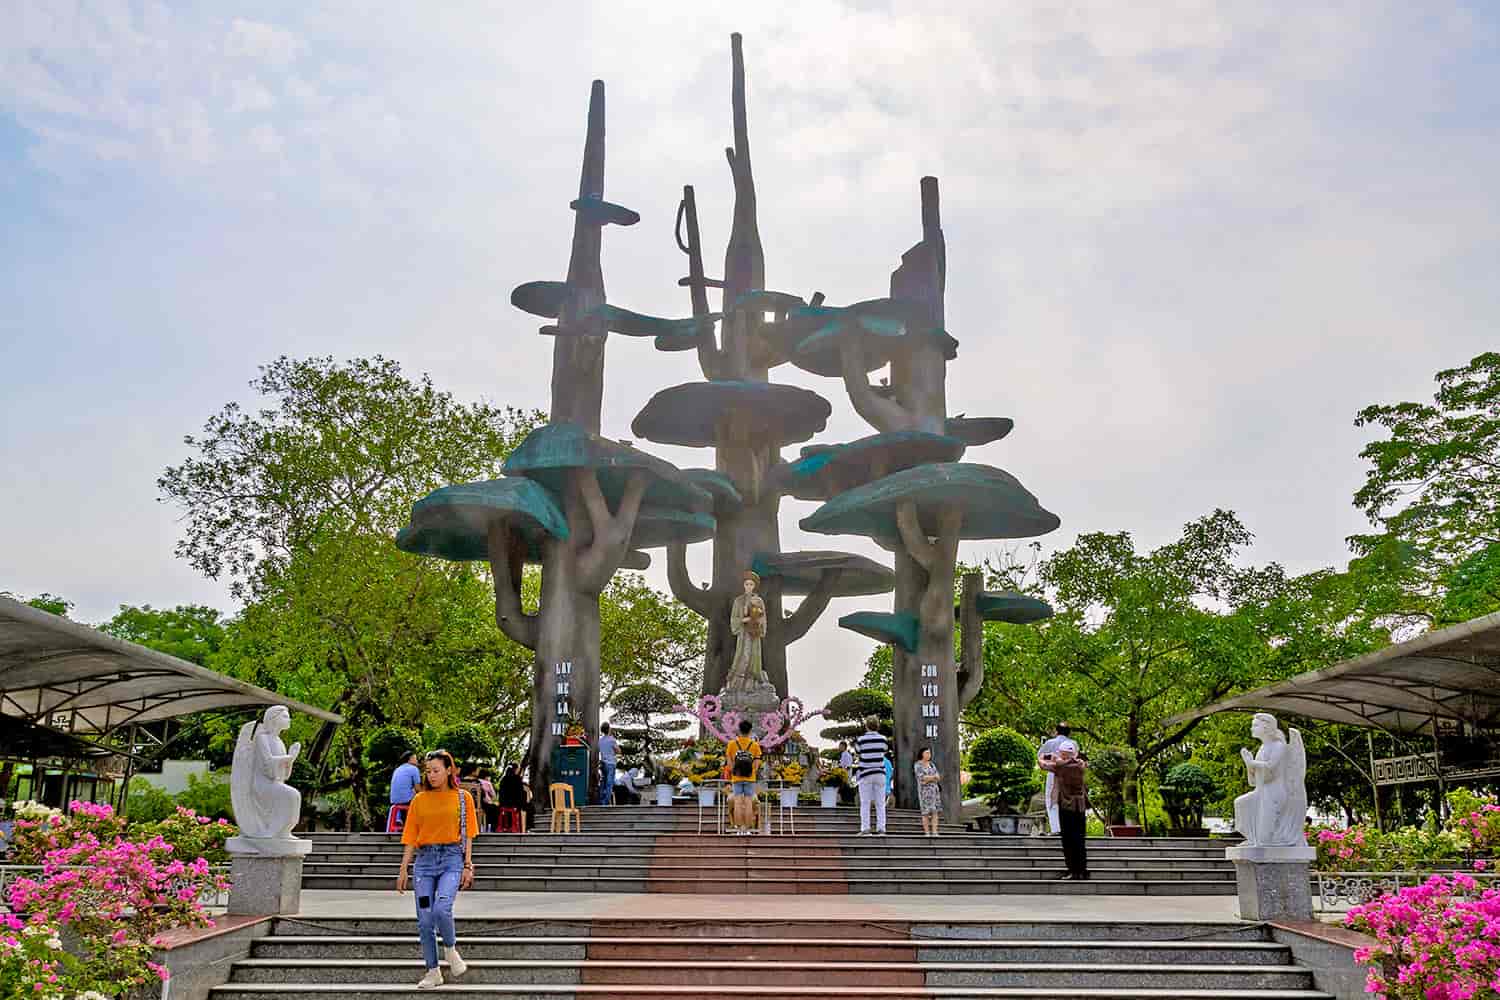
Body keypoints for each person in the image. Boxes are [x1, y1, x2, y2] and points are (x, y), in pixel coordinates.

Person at [396, 749, 479, 989]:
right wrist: (403, 869)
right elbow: (410, 836)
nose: (431, 775)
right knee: (424, 918)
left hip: (452, 861)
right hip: (423, 865)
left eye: (436, 770)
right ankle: (433, 971)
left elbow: (469, 834)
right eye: (428, 771)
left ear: (449, 770)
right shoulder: (419, 800)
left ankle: (451, 950)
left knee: (442, 908)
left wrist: (467, 865)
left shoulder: (463, 798)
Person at [1039, 743, 1089, 880]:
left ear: (1065, 754)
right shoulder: (1080, 766)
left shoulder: (1060, 767)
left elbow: (1043, 765)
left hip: (1067, 806)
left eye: (1061, 752)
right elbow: (1081, 762)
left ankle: (1072, 871)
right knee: (1079, 840)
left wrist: (1043, 757)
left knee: (1068, 840)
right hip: (1080, 807)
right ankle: (1082, 871)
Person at [725, 719, 763, 835]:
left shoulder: (732, 744)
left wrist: (734, 772)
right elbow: (757, 763)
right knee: (748, 802)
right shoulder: (755, 745)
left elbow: (729, 763)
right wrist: (752, 772)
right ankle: (747, 829)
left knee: (737, 802)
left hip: (737, 778)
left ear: (739, 730)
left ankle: (738, 828)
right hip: (750, 778)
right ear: (750, 731)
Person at [1037, 724, 1074, 836]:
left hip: (1053, 772)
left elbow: (1040, 757)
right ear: (1069, 733)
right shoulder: (1073, 743)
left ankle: (1056, 828)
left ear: (1056, 731)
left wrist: (1049, 759)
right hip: (1071, 773)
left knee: (1052, 800)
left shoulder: (1050, 743)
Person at [854, 717, 889, 836]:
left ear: (866, 726)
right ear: (878, 726)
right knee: (880, 803)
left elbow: (858, 752)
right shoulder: (883, 739)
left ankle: (865, 828)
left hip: (866, 772)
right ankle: (881, 829)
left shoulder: (861, 740)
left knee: (865, 802)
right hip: (880, 772)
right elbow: (884, 751)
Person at [387, 750, 422, 834]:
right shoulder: (414, 769)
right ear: (410, 759)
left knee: (409, 792)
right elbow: (418, 789)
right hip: (406, 800)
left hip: (394, 800)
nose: (417, 761)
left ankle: (399, 818)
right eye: (415, 758)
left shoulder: (397, 769)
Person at [914, 746, 942, 836]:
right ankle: (927, 832)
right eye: (926, 753)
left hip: (934, 791)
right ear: (922, 754)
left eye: (929, 753)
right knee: (925, 812)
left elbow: (938, 777)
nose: (928, 755)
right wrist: (932, 777)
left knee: (935, 812)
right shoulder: (918, 764)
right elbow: (922, 778)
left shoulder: (932, 764)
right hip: (924, 792)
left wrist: (930, 778)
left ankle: (934, 831)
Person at [497, 763, 532, 833]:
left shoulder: (503, 779)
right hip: (514, 804)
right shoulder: (517, 779)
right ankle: (525, 828)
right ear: (515, 770)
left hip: (503, 804)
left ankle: (508, 826)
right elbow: (520, 793)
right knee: (529, 807)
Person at [597, 722, 619, 806]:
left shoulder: (600, 740)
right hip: (610, 763)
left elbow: (600, 751)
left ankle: (602, 800)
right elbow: (618, 751)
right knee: (609, 783)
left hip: (603, 763)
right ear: (609, 729)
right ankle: (606, 802)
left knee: (603, 783)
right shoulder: (611, 739)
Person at [476, 768, 499, 833]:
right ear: (486, 776)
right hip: (485, 804)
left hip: (476, 803)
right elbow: (494, 796)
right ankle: (493, 828)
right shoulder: (487, 783)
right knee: (496, 809)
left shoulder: (476, 781)